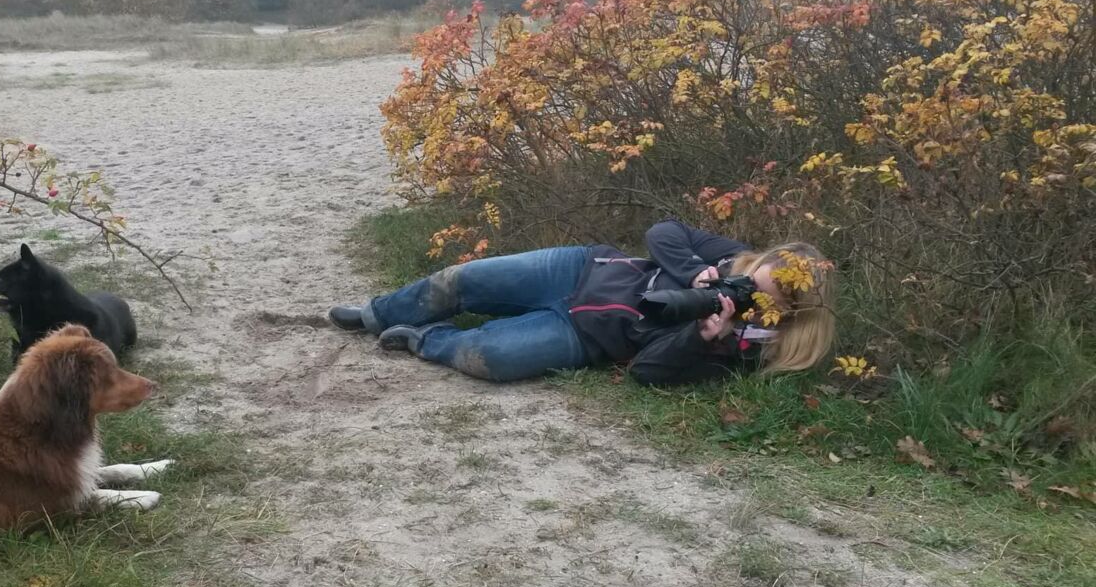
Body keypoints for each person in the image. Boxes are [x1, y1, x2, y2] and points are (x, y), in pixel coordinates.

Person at [328, 219, 836, 386]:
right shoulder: (732, 258)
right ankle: (378, 314)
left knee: (491, 358)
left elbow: (647, 372)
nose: (743, 293)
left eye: (758, 300)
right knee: (461, 278)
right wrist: (694, 272)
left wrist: (701, 338)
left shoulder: (746, 349)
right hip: (580, 268)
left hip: (586, 335)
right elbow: (663, 231)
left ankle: (425, 338)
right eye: (750, 281)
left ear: (789, 314)